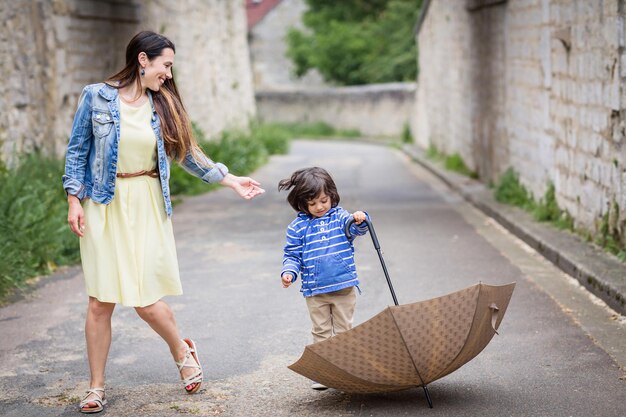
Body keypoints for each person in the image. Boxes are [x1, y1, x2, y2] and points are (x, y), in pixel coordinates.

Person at [63, 31, 265, 413]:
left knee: (144, 300)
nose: (169, 75)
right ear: (144, 60)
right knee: (99, 302)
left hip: (147, 203)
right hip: (104, 204)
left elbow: (187, 153)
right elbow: (78, 151)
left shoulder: (163, 104)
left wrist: (230, 178)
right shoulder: (95, 96)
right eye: (166, 65)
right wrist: (74, 199)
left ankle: (180, 348)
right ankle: (96, 387)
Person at [278, 167, 369, 390]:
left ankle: (346, 368)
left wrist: (360, 219)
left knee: (344, 330)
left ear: (332, 196)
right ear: (302, 203)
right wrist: (289, 272)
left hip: (343, 287)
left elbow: (359, 230)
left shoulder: (340, 217)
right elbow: (292, 254)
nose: (319, 207)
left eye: (323, 200)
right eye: (312, 203)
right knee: (320, 331)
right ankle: (324, 372)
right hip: (315, 291)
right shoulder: (297, 227)